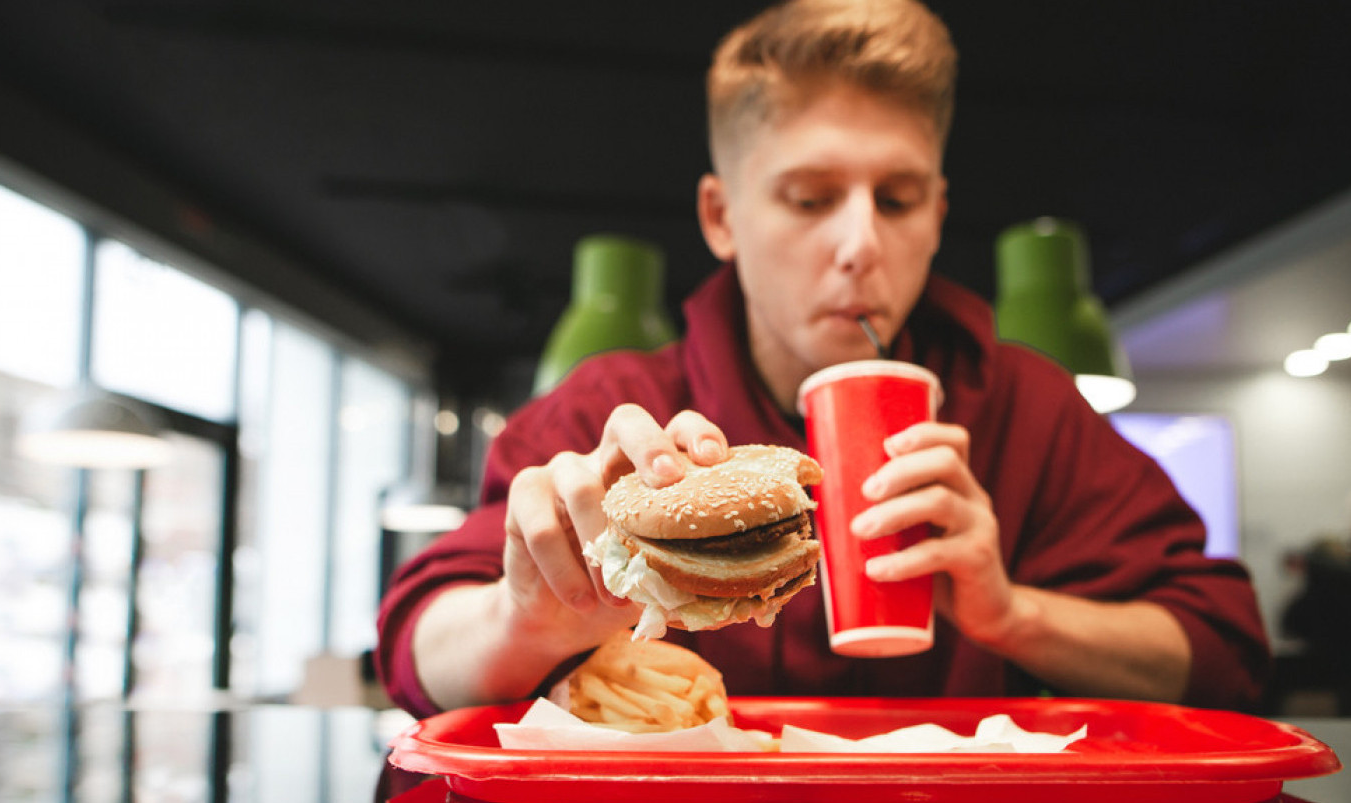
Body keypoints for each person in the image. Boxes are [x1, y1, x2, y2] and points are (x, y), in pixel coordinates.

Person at [375, 0, 1269, 719]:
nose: (860, 244)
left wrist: (1013, 612)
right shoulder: (617, 409)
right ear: (722, 217)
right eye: (809, 198)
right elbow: (416, 645)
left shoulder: (1023, 404)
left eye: (899, 198)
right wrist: (522, 619)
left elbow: (1223, 655)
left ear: (939, 213)